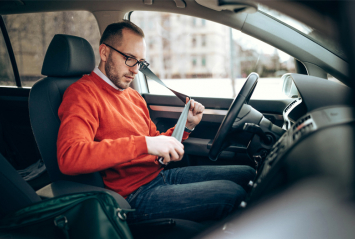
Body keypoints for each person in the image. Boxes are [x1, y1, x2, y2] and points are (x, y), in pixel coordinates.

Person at [57, 20, 256, 223]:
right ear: (105, 52)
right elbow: (70, 157)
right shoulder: (82, 94)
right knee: (232, 194)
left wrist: (186, 126)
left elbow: (154, 144)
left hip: (160, 176)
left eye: (141, 62)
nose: (136, 70)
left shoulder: (133, 96)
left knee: (249, 174)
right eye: (129, 58)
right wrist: (144, 144)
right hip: (132, 196)